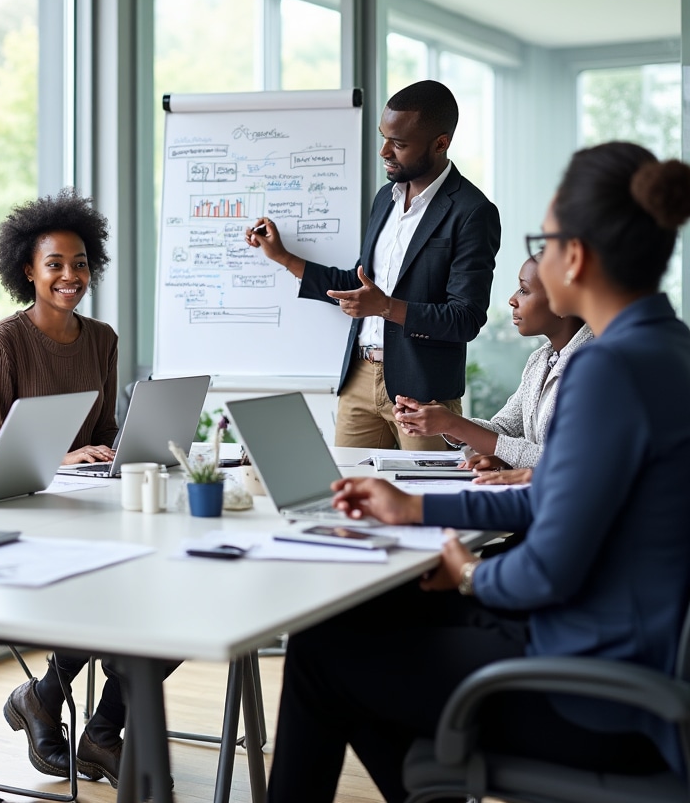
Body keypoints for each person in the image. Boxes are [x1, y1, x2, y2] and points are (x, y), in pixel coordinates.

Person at [266, 141, 690, 803]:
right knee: (366, 625)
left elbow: (546, 568)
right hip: (615, 650)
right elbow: (551, 498)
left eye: (543, 241)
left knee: (324, 657)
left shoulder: (609, 370)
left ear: (574, 257)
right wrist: (418, 511)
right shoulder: (666, 347)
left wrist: (466, 572)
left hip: (590, 690)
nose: (539, 258)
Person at [0, 189, 175, 789]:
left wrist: (120, 451)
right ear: (27, 271)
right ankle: (88, 723)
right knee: (120, 593)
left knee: (172, 589)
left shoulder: (102, 339)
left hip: (87, 507)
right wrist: (65, 456)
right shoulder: (0, 343)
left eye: (80, 262)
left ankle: (83, 717)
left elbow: (106, 431)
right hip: (24, 516)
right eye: (54, 264)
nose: (70, 275)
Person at [246, 79, 501, 449]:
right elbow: (361, 284)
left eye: (398, 144)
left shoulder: (473, 211)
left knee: (422, 500)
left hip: (424, 393)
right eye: (384, 137)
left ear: (440, 143)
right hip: (359, 382)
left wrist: (385, 307)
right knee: (350, 497)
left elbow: (466, 318)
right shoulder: (386, 198)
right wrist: (284, 258)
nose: (385, 150)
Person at [393, 256, 592, 484]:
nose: (512, 300)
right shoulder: (541, 360)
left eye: (524, 290)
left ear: (561, 302)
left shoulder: (595, 368)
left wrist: (454, 424)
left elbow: (568, 463)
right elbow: (503, 429)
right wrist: (445, 423)